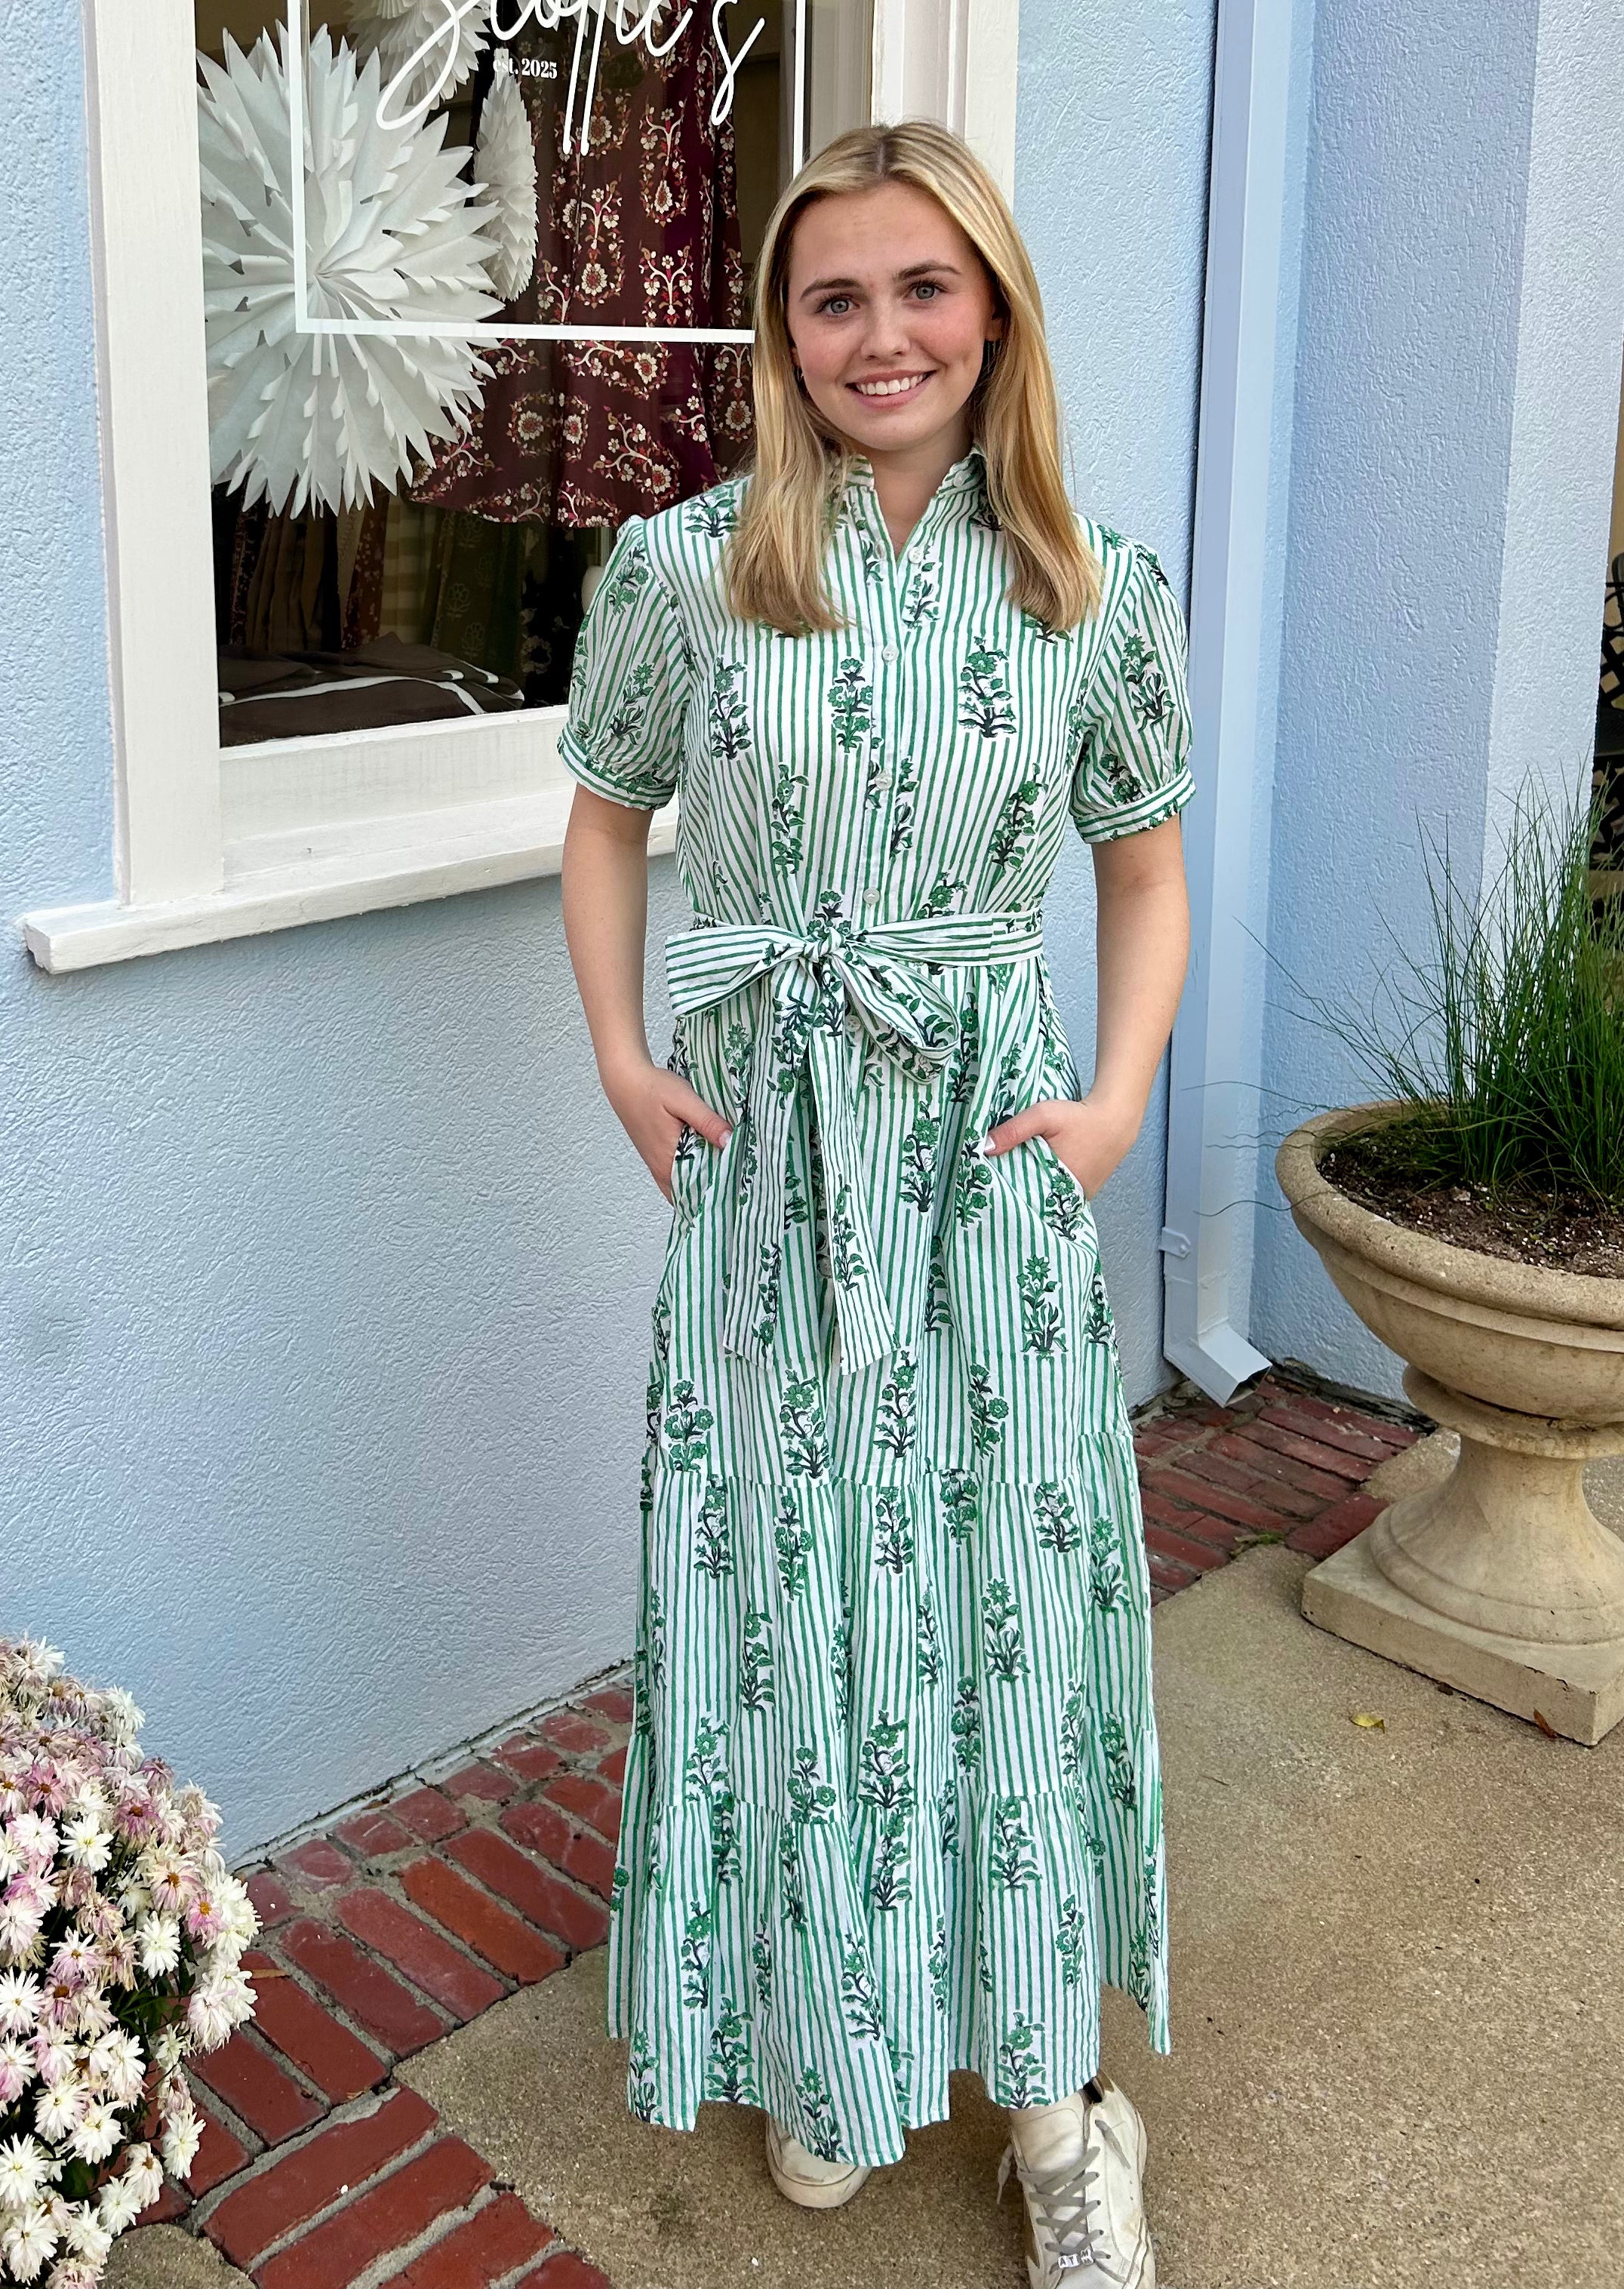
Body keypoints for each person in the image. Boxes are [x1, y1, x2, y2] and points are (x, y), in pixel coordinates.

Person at [556, 122, 1193, 2288]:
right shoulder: (685, 566)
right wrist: (624, 1056)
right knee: (789, 1595)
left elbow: (1143, 874)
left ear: (992, 313)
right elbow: (606, 820)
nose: (881, 333)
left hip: (987, 1157)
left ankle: (1057, 2108)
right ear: (783, 330)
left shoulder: (1089, 586)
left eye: (925, 287)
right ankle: (831, 2043)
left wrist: (1113, 1105)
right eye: (834, 296)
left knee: (1008, 1599)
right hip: (768, 1170)